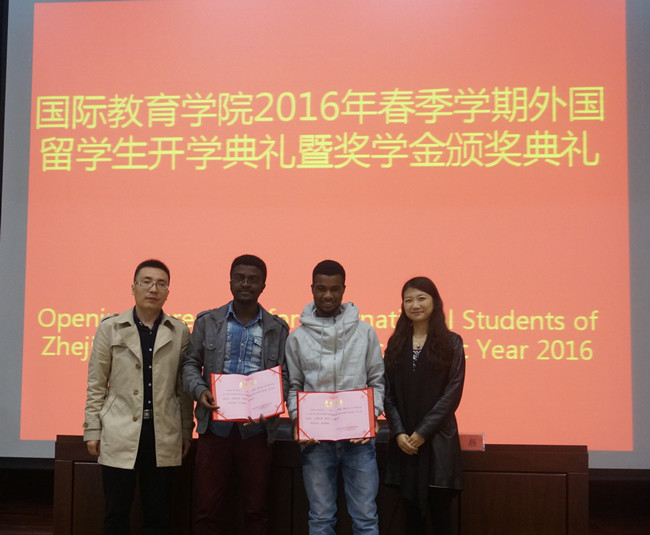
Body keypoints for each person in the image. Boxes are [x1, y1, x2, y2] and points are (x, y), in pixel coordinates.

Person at [83, 259, 193, 535]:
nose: (153, 289)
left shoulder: (179, 331)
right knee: (116, 514)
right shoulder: (110, 327)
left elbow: (182, 389)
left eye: (161, 284)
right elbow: (96, 384)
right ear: (133, 287)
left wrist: (185, 430)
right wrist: (92, 428)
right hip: (119, 430)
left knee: (158, 516)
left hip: (162, 432)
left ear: (168, 292)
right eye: (146, 282)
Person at [182, 254, 289, 535]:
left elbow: (285, 376)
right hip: (214, 429)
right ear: (230, 281)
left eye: (253, 279)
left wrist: (272, 404)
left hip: (256, 432)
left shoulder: (277, 329)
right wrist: (200, 391)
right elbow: (190, 364)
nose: (245, 284)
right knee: (207, 509)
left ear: (263, 285)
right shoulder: (207, 321)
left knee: (256, 510)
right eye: (240, 278)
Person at [285, 260, 385, 535]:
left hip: (358, 441)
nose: (327, 295)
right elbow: (294, 386)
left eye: (334, 289)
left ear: (343, 289)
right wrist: (298, 419)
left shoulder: (365, 332)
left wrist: (372, 414)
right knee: (320, 519)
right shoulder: (297, 338)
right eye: (321, 288)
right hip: (316, 442)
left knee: (366, 519)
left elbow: (377, 380)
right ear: (312, 289)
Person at [383, 277, 465, 535]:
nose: (415, 305)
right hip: (405, 446)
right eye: (408, 300)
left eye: (421, 298)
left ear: (435, 302)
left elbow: (452, 394)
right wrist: (399, 433)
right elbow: (387, 393)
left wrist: (421, 433)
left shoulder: (452, 342)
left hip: (438, 444)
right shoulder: (396, 344)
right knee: (410, 522)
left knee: (441, 520)